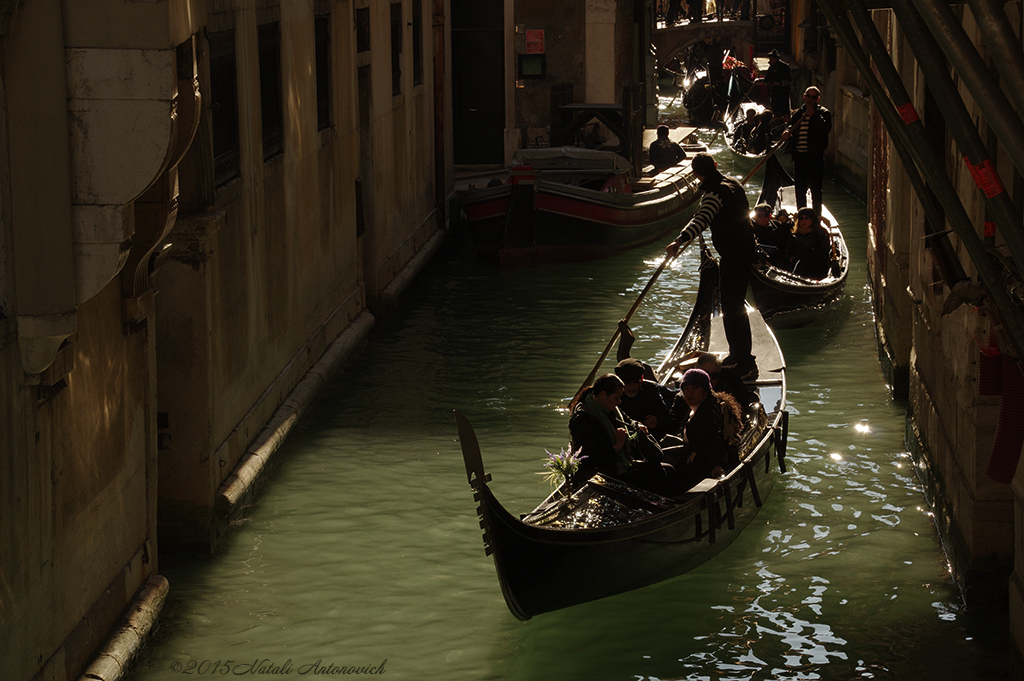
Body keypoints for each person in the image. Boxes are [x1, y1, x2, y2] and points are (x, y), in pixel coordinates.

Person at [665, 153, 757, 379]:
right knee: (734, 305)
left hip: (735, 254)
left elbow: (702, 219)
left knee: (732, 307)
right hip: (746, 249)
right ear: (715, 166)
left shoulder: (714, 193)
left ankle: (742, 360)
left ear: (696, 174)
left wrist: (680, 240)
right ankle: (741, 355)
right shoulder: (733, 183)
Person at [568, 374, 676, 494]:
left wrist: (637, 424)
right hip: (601, 474)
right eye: (616, 398)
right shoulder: (582, 419)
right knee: (658, 473)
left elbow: (628, 420)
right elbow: (592, 458)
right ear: (603, 395)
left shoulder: (610, 408)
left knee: (669, 469)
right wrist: (617, 446)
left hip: (619, 464)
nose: (619, 402)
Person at [663, 368, 743, 488]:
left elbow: (713, 442)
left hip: (705, 467)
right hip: (700, 459)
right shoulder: (707, 405)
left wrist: (717, 465)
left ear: (705, 391)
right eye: (686, 389)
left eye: (695, 388)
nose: (689, 393)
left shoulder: (707, 414)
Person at [782, 86, 832, 217]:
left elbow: (825, 129)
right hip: (799, 157)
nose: (810, 99)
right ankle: (802, 215)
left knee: (816, 190)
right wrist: (788, 133)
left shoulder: (823, 113)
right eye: (808, 96)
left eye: (813, 97)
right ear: (804, 97)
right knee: (800, 189)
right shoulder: (798, 114)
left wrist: (814, 116)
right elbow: (792, 127)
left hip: (815, 157)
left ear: (817, 99)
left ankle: (816, 217)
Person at [614, 358, 680, 441]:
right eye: (627, 382)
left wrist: (657, 420)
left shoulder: (651, 389)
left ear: (642, 378)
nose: (632, 386)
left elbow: (666, 415)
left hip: (653, 436)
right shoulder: (613, 395)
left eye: (636, 381)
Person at [786, 207, 832, 279]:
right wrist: (790, 257)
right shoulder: (793, 235)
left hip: (816, 265)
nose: (804, 221)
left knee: (809, 254)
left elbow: (825, 251)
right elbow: (788, 251)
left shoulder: (819, 233)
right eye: (801, 218)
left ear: (812, 220)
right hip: (796, 262)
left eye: (807, 218)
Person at [751, 202, 793, 266]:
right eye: (759, 215)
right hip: (758, 260)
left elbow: (789, 225)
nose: (762, 217)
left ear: (770, 216)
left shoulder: (777, 225)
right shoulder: (750, 228)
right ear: (755, 216)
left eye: (766, 215)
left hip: (776, 260)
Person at [761, 50, 792, 121]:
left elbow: (788, 80)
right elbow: (767, 79)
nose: (770, 61)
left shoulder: (784, 67)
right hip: (774, 92)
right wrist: (760, 81)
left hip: (783, 93)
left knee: (784, 109)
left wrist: (779, 83)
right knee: (774, 108)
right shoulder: (771, 68)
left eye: (772, 59)